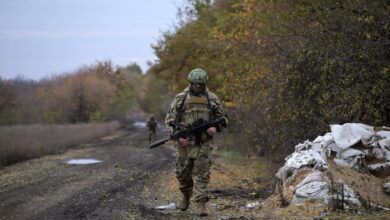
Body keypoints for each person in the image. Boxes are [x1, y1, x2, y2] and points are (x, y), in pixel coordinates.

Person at [165, 68, 228, 216]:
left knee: (202, 172)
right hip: (185, 143)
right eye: (196, 84)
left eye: (202, 85)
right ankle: (186, 195)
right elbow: (170, 121)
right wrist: (178, 137)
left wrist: (214, 127)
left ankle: (200, 204)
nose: (199, 87)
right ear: (190, 83)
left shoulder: (212, 99)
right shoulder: (181, 99)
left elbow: (224, 119)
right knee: (182, 173)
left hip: (204, 142)